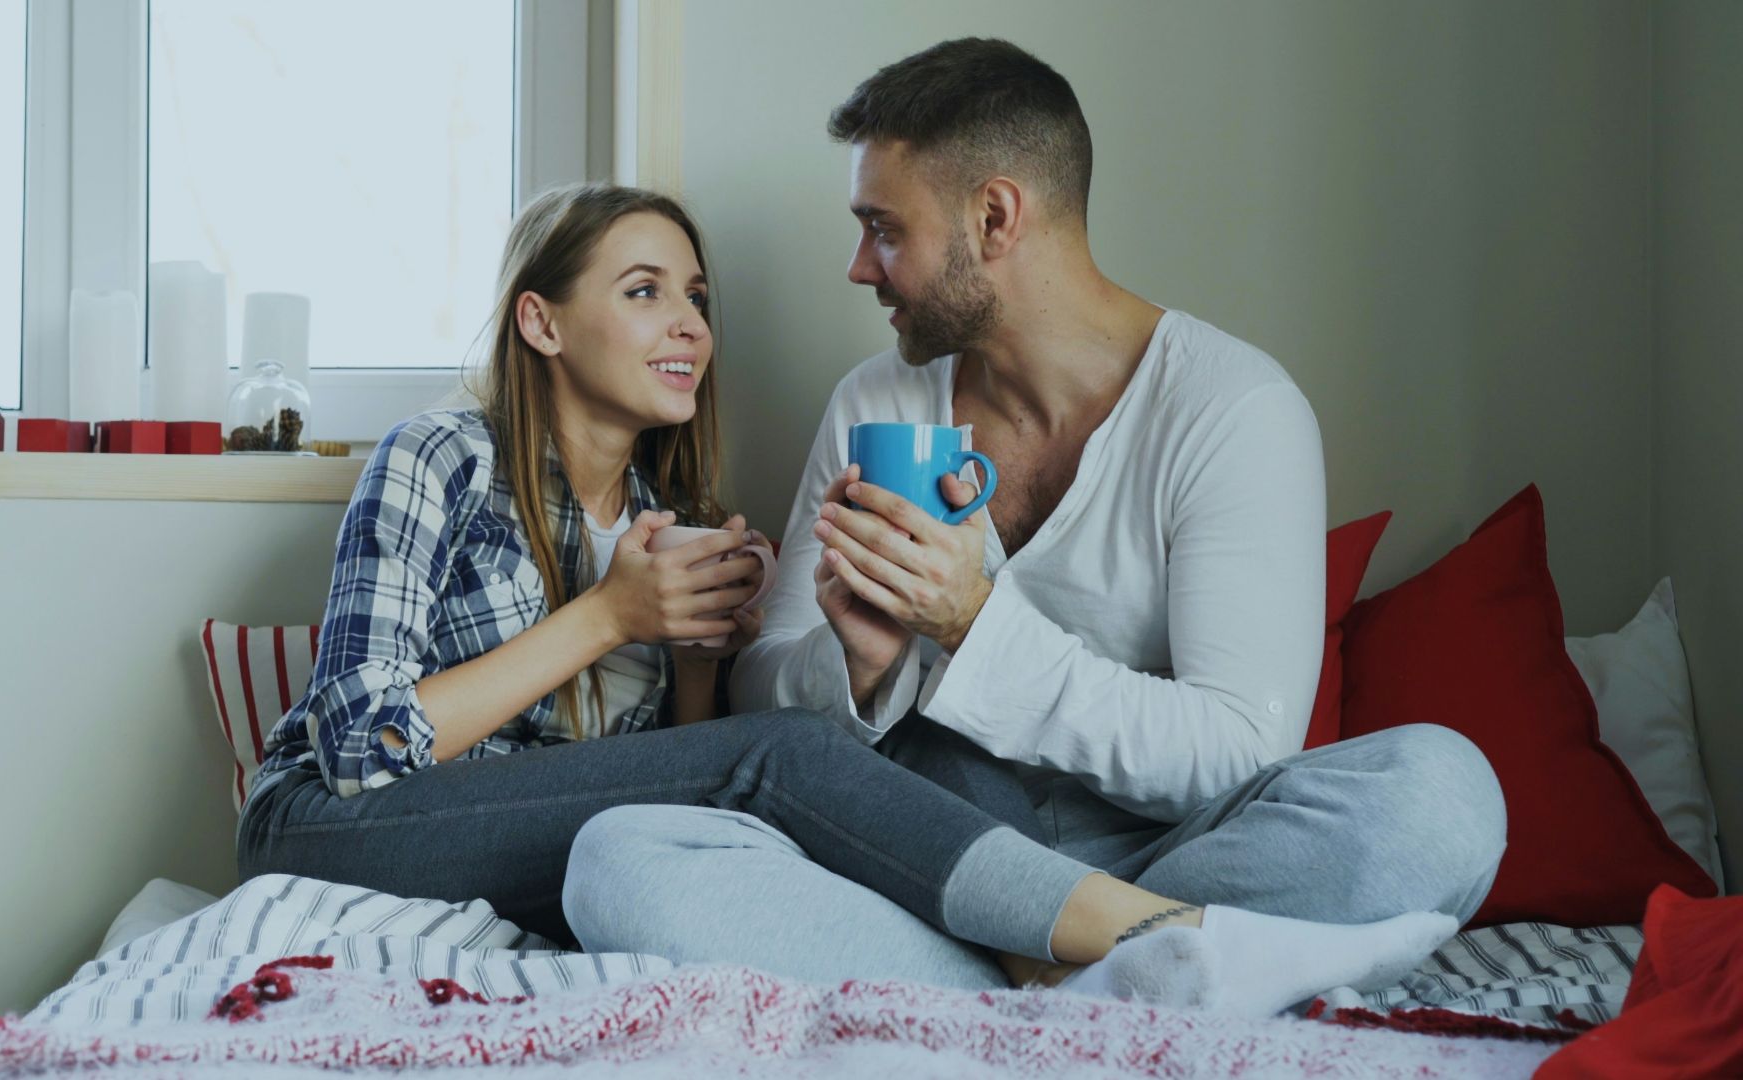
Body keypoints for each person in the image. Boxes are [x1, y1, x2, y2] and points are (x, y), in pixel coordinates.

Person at [236, 182, 1458, 1019]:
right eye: (646, 291)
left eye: (697, 297)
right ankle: (1153, 937)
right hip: (333, 824)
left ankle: (1037, 984)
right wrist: (609, 619)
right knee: (784, 756)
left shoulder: (673, 515)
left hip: (535, 845)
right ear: (540, 321)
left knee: (1436, 791)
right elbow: (357, 747)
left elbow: (668, 785)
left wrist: (703, 653)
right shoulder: (440, 456)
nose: (688, 324)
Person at [561, 40, 1506, 1007]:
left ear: (995, 217)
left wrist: (971, 624)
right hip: (921, 857)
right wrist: (858, 667)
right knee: (619, 857)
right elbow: (767, 701)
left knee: (1445, 795)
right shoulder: (878, 404)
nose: (858, 266)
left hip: (1164, 859)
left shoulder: (1232, 409)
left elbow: (1237, 754)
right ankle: (1132, 974)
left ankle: (1035, 979)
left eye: (883, 229)